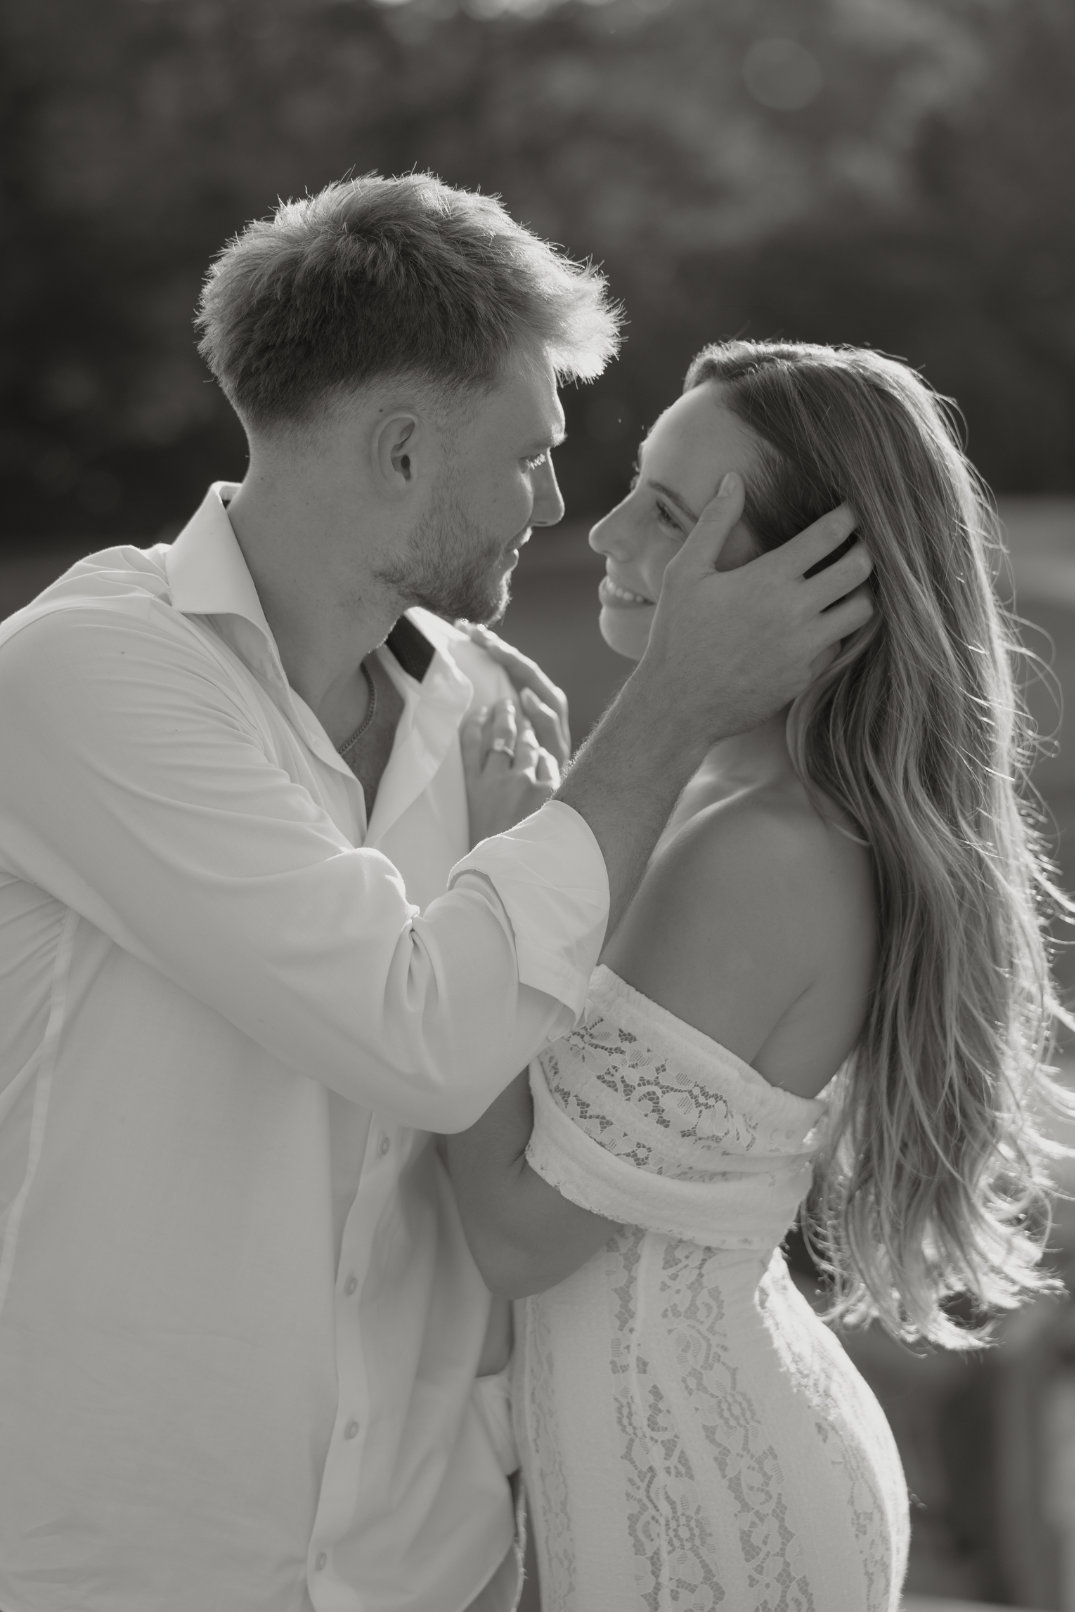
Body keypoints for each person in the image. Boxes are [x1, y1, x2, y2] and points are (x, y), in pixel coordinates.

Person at [0, 182, 873, 1612]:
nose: (556, 504)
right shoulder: (84, 680)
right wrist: (668, 711)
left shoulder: (481, 710)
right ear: (403, 450)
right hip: (131, 1561)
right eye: (530, 455)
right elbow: (418, 1037)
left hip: (428, 1565)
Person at [445, 338, 1075, 1611]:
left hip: (707, 1501)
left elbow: (518, 1236)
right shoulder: (711, 794)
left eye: (670, 515)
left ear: (815, 582)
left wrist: (472, 874)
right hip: (657, 1467)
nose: (604, 530)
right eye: (636, 487)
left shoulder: (762, 849)